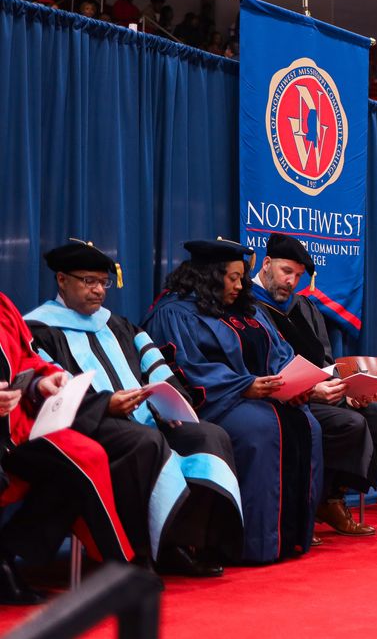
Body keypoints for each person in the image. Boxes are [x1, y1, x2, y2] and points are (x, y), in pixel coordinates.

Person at [26, 241, 243, 576]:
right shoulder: (39, 330)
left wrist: (170, 407)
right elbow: (52, 387)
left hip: (142, 419)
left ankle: (178, 543)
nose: (98, 290)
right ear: (61, 280)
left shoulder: (121, 326)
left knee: (208, 435)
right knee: (145, 443)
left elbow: (158, 370)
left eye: (103, 282)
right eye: (88, 281)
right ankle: (136, 555)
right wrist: (105, 405)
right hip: (86, 423)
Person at [143, 239, 323, 564]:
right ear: (210, 276)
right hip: (214, 403)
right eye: (233, 278)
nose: (241, 287)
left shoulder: (249, 311)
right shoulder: (175, 312)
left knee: (308, 423)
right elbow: (186, 367)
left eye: (242, 278)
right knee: (263, 427)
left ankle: (293, 535)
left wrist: (296, 384)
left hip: (259, 397)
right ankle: (253, 544)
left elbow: (281, 354)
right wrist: (245, 385)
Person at [250, 234, 377, 536]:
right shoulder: (248, 307)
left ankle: (330, 496)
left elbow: (326, 359)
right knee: (350, 425)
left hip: (322, 396)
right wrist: (314, 393)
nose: (292, 281)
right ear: (267, 263)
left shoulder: (304, 307)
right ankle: (318, 502)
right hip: (281, 399)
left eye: (299, 276)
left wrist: (345, 393)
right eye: (287, 272)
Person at [0, 291, 135, 604]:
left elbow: (26, 357)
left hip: (14, 432)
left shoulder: (4, 305)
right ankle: (120, 571)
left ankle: (7, 553)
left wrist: (41, 382)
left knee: (83, 457)